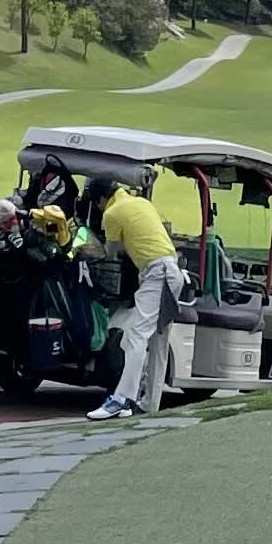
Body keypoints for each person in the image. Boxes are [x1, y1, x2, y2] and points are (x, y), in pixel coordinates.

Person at [88, 174, 186, 421]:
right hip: (172, 272)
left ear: (101, 200)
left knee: (136, 336)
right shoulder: (142, 203)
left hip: (157, 274)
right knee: (158, 342)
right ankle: (149, 404)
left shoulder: (112, 214)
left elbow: (111, 252)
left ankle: (122, 399)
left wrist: (88, 247)